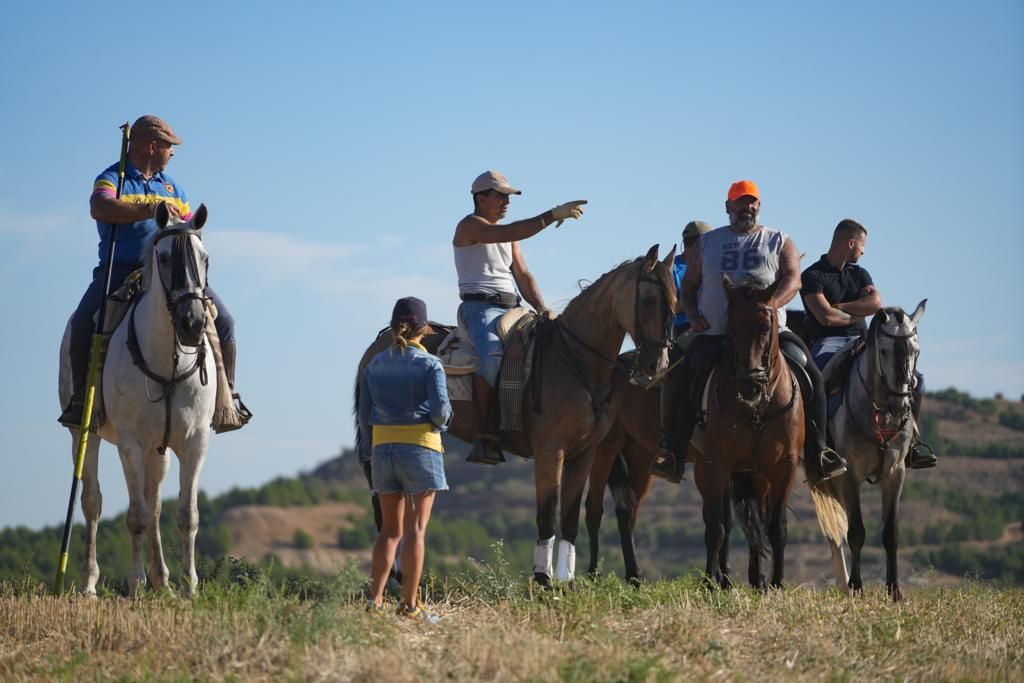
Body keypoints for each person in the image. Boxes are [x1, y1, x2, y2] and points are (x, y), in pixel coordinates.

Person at [650, 180, 847, 486]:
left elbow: (793, 280)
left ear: (759, 206)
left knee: (812, 375)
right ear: (728, 208)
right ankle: (673, 452)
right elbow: (688, 287)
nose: (747, 207)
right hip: (716, 333)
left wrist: (770, 307)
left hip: (769, 336)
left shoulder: (778, 240)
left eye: (752, 202)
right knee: (678, 370)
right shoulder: (709, 243)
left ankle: (820, 452)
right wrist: (693, 314)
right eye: (740, 202)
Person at [59, 115, 248, 431]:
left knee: (225, 321)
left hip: (173, 272)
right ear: (151, 146)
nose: (172, 153)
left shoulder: (174, 188)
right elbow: (99, 208)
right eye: (168, 147)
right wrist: (148, 208)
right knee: (81, 324)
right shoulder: (112, 179)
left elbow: (190, 227)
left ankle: (226, 397)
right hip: (119, 270)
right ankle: (80, 402)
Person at [453, 170, 586, 465]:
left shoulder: (509, 236)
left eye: (508, 197)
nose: (506, 202)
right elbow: (508, 232)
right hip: (480, 309)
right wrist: (551, 215)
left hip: (512, 308)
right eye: (500, 196)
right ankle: (485, 432)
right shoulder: (470, 226)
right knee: (492, 357)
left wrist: (542, 307)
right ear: (480, 197)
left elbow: (523, 275)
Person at [800, 219, 936, 469]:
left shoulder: (860, 274)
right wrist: (855, 313)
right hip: (827, 341)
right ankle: (818, 447)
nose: (863, 251)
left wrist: (840, 308)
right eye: (862, 245)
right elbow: (824, 317)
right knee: (813, 382)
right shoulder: (811, 276)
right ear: (850, 243)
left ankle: (911, 445)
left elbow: (875, 304)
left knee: (917, 380)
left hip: (864, 340)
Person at [359, 297, 452, 619]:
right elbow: (441, 411)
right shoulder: (430, 365)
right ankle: (410, 605)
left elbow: (364, 415)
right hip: (421, 449)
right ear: (424, 329)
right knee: (416, 531)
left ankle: (374, 601)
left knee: (389, 531)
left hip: (382, 450)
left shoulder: (375, 365)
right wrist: (440, 423)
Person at [649, 220, 712, 483]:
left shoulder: (716, 266)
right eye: (691, 242)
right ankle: (668, 440)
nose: (694, 247)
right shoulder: (672, 269)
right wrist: (694, 306)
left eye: (697, 242)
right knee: (673, 372)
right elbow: (670, 308)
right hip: (682, 330)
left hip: (716, 328)